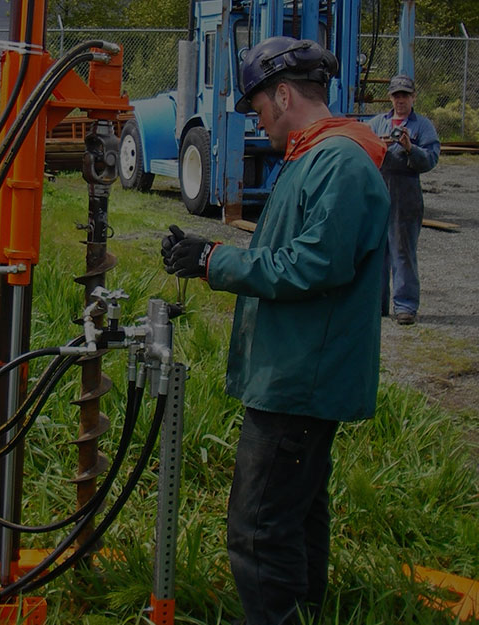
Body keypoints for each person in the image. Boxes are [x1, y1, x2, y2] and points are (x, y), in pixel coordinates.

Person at [161, 37, 390, 625]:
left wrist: (215, 263)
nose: (259, 124)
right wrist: (207, 251)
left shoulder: (338, 162)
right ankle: (305, 613)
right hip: (299, 370)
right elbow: (282, 250)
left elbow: (313, 265)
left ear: (284, 93)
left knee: (258, 528)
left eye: (259, 109)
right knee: (297, 511)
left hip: (300, 378)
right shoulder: (313, 157)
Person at [367, 74, 440, 325]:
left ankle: (405, 305)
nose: (401, 100)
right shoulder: (376, 124)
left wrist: (410, 148)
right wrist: (378, 144)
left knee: (402, 252)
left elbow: (430, 160)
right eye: (397, 95)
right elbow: (362, 154)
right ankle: (376, 305)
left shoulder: (423, 127)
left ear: (413, 97)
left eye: (405, 95)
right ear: (390, 97)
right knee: (376, 253)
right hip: (378, 193)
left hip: (406, 195)